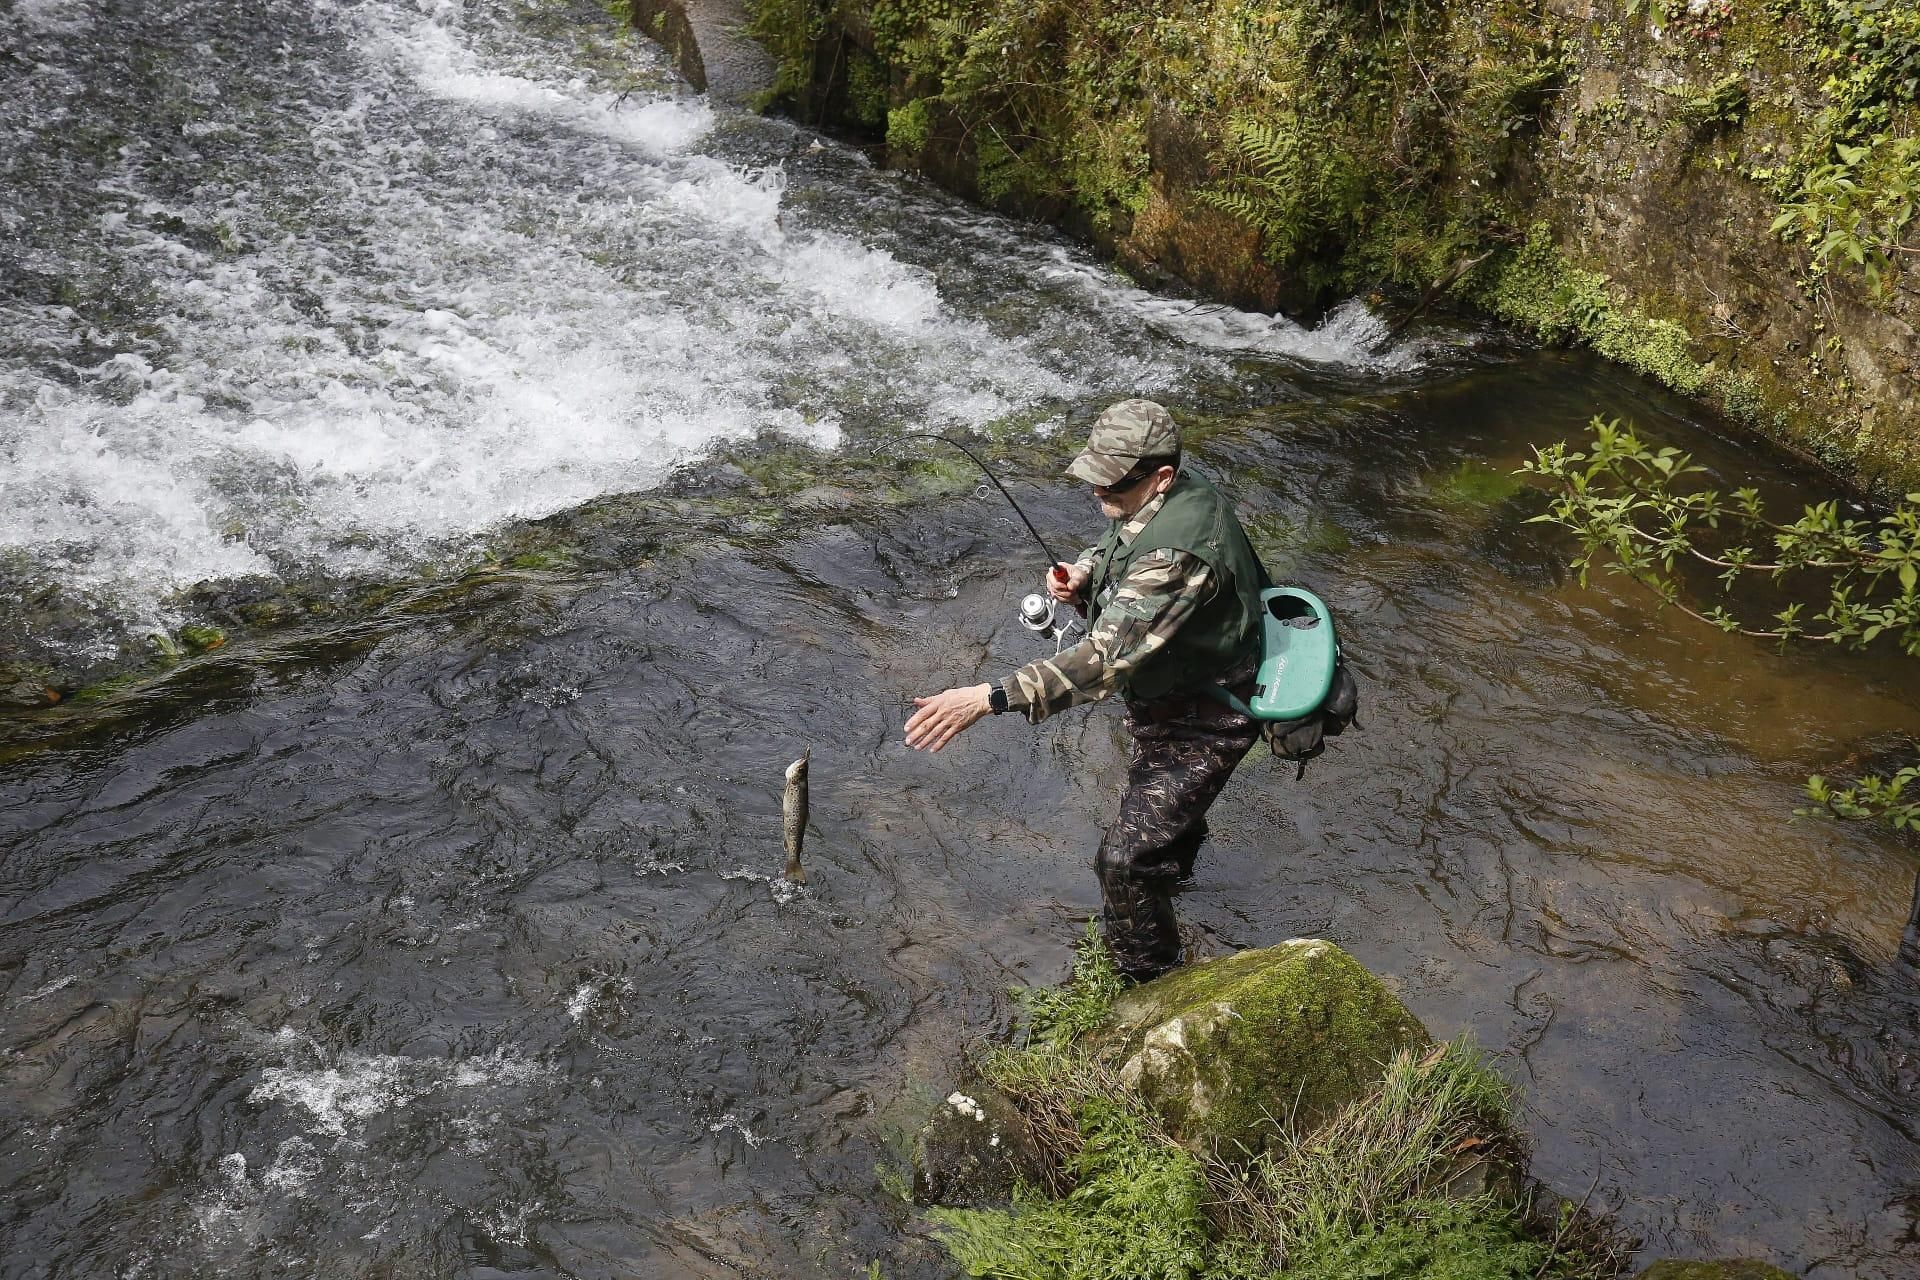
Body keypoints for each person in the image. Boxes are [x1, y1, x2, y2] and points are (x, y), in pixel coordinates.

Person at [903, 399, 1269, 983]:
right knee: (1159, 837)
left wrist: (984, 698)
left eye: (1110, 482)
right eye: (1095, 474)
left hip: (1213, 709)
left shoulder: (1177, 553)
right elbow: (1122, 539)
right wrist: (1088, 571)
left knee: (1121, 863)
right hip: (1175, 688)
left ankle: (1148, 983)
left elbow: (1102, 662)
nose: (1097, 492)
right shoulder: (1163, 492)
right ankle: (1171, 874)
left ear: (1160, 476)